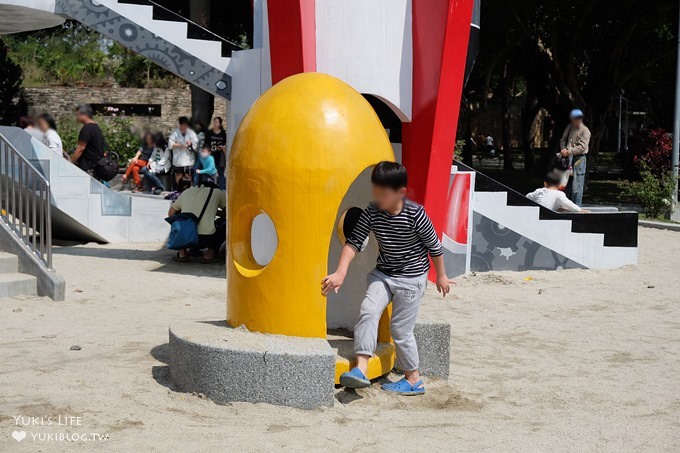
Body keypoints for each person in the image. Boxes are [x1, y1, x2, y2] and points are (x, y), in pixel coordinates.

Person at [322, 161, 452, 396]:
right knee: (368, 311)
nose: (378, 197)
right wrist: (340, 272)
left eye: (383, 193)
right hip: (383, 274)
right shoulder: (373, 212)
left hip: (412, 278)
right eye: (376, 192)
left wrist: (441, 276)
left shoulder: (415, 214)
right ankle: (361, 368)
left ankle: (413, 379)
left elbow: (435, 247)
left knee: (401, 330)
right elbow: (353, 242)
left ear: (400, 192)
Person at [168, 180, 226, 263]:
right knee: (225, 225)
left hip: (186, 238)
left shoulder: (186, 192)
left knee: (180, 223)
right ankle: (209, 255)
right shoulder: (216, 192)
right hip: (205, 238)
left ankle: (182, 253)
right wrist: (214, 211)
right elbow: (230, 213)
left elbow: (171, 213)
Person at [559, 109, 591, 205]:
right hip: (567, 158)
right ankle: (564, 205)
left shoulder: (585, 131)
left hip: (579, 159)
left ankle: (576, 207)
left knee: (577, 184)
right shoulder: (570, 127)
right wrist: (563, 149)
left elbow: (582, 147)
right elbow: (563, 139)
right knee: (565, 183)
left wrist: (569, 151)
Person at [71, 104, 106, 174]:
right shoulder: (96, 127)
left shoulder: (87, 128)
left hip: (88, 167)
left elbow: (81, 148)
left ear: (84, 115)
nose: (76, 117)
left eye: (77, 115)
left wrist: (70, 162)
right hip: (96, 166)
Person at [169, 116, 198, 186]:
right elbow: (170, 144)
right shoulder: (175, 133)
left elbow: (196, 144)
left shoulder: (191, 133)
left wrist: (190, 144)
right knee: (178, 175)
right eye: (183, 125)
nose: (184, 127)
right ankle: (178, 188)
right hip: (178, 160)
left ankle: (189, 189)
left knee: (188, 175)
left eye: (186, 125)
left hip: (188, 159)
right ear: (180, 124)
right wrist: (180, 146)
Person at [205, 117, 227, 190]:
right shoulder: (209, 133)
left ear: (220, 124)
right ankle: (209, 188)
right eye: (214, 122)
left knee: (221, 173)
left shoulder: (223, 133)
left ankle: (222, 189)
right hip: (211, 155)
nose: (215, 124)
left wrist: (223, 147)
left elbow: (226, 144)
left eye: (217, 122)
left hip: (220, 155)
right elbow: (206, 144)